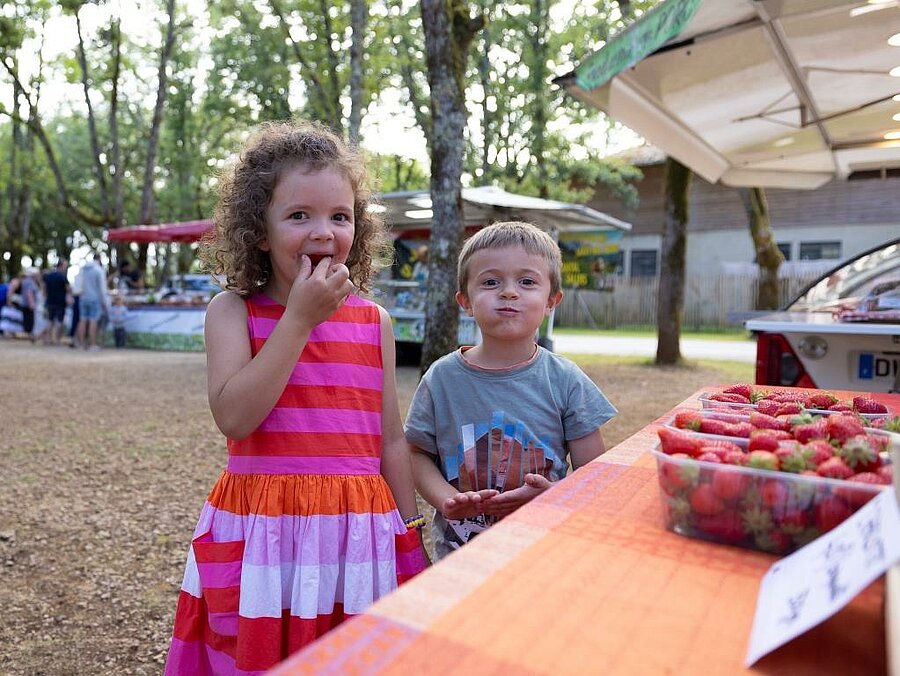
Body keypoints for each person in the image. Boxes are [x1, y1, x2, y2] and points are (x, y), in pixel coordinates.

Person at [164, 119, 428, 675]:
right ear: (258, 231)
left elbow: (391, 441)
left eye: (340, 216)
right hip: (264, 532)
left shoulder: (374, 321)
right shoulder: (232, 311)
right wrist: (299, 321)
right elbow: (235, 417)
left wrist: (409, 535)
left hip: (356, 532)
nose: (323, 232)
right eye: (299, 216)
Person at [404, 221, 618, 562]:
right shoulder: (441, 379)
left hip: (545, 555)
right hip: (459, 560)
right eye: (491, 282)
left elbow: (594, 474)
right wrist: (446, 498)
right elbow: (415, 454)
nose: (509, 292)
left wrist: (553, 496)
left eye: (527, 281)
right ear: (465, 301)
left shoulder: (566, 380)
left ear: (551, 301)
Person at [75, 252, 109, 351]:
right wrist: (104, 301)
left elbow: (77, 283)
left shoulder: (83, 269)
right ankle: (92, 344)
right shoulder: (98, 270)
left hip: (83, 297)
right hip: (95, 298)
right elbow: (102, 288)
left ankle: (81, 345)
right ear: (99, 259)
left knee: (83, 319)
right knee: (93, 320)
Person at [43, 260, 70, 345]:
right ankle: (57, 340)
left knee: (50, 320)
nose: (66, 267)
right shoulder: (62, 276)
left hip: (50, 301)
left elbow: (44, 288)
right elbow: (68, 288)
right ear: (61, 266)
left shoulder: (49, 275)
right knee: (59, 321)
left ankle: (48, 339)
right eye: (65, 265)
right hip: (60, 302)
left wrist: (46, 296)